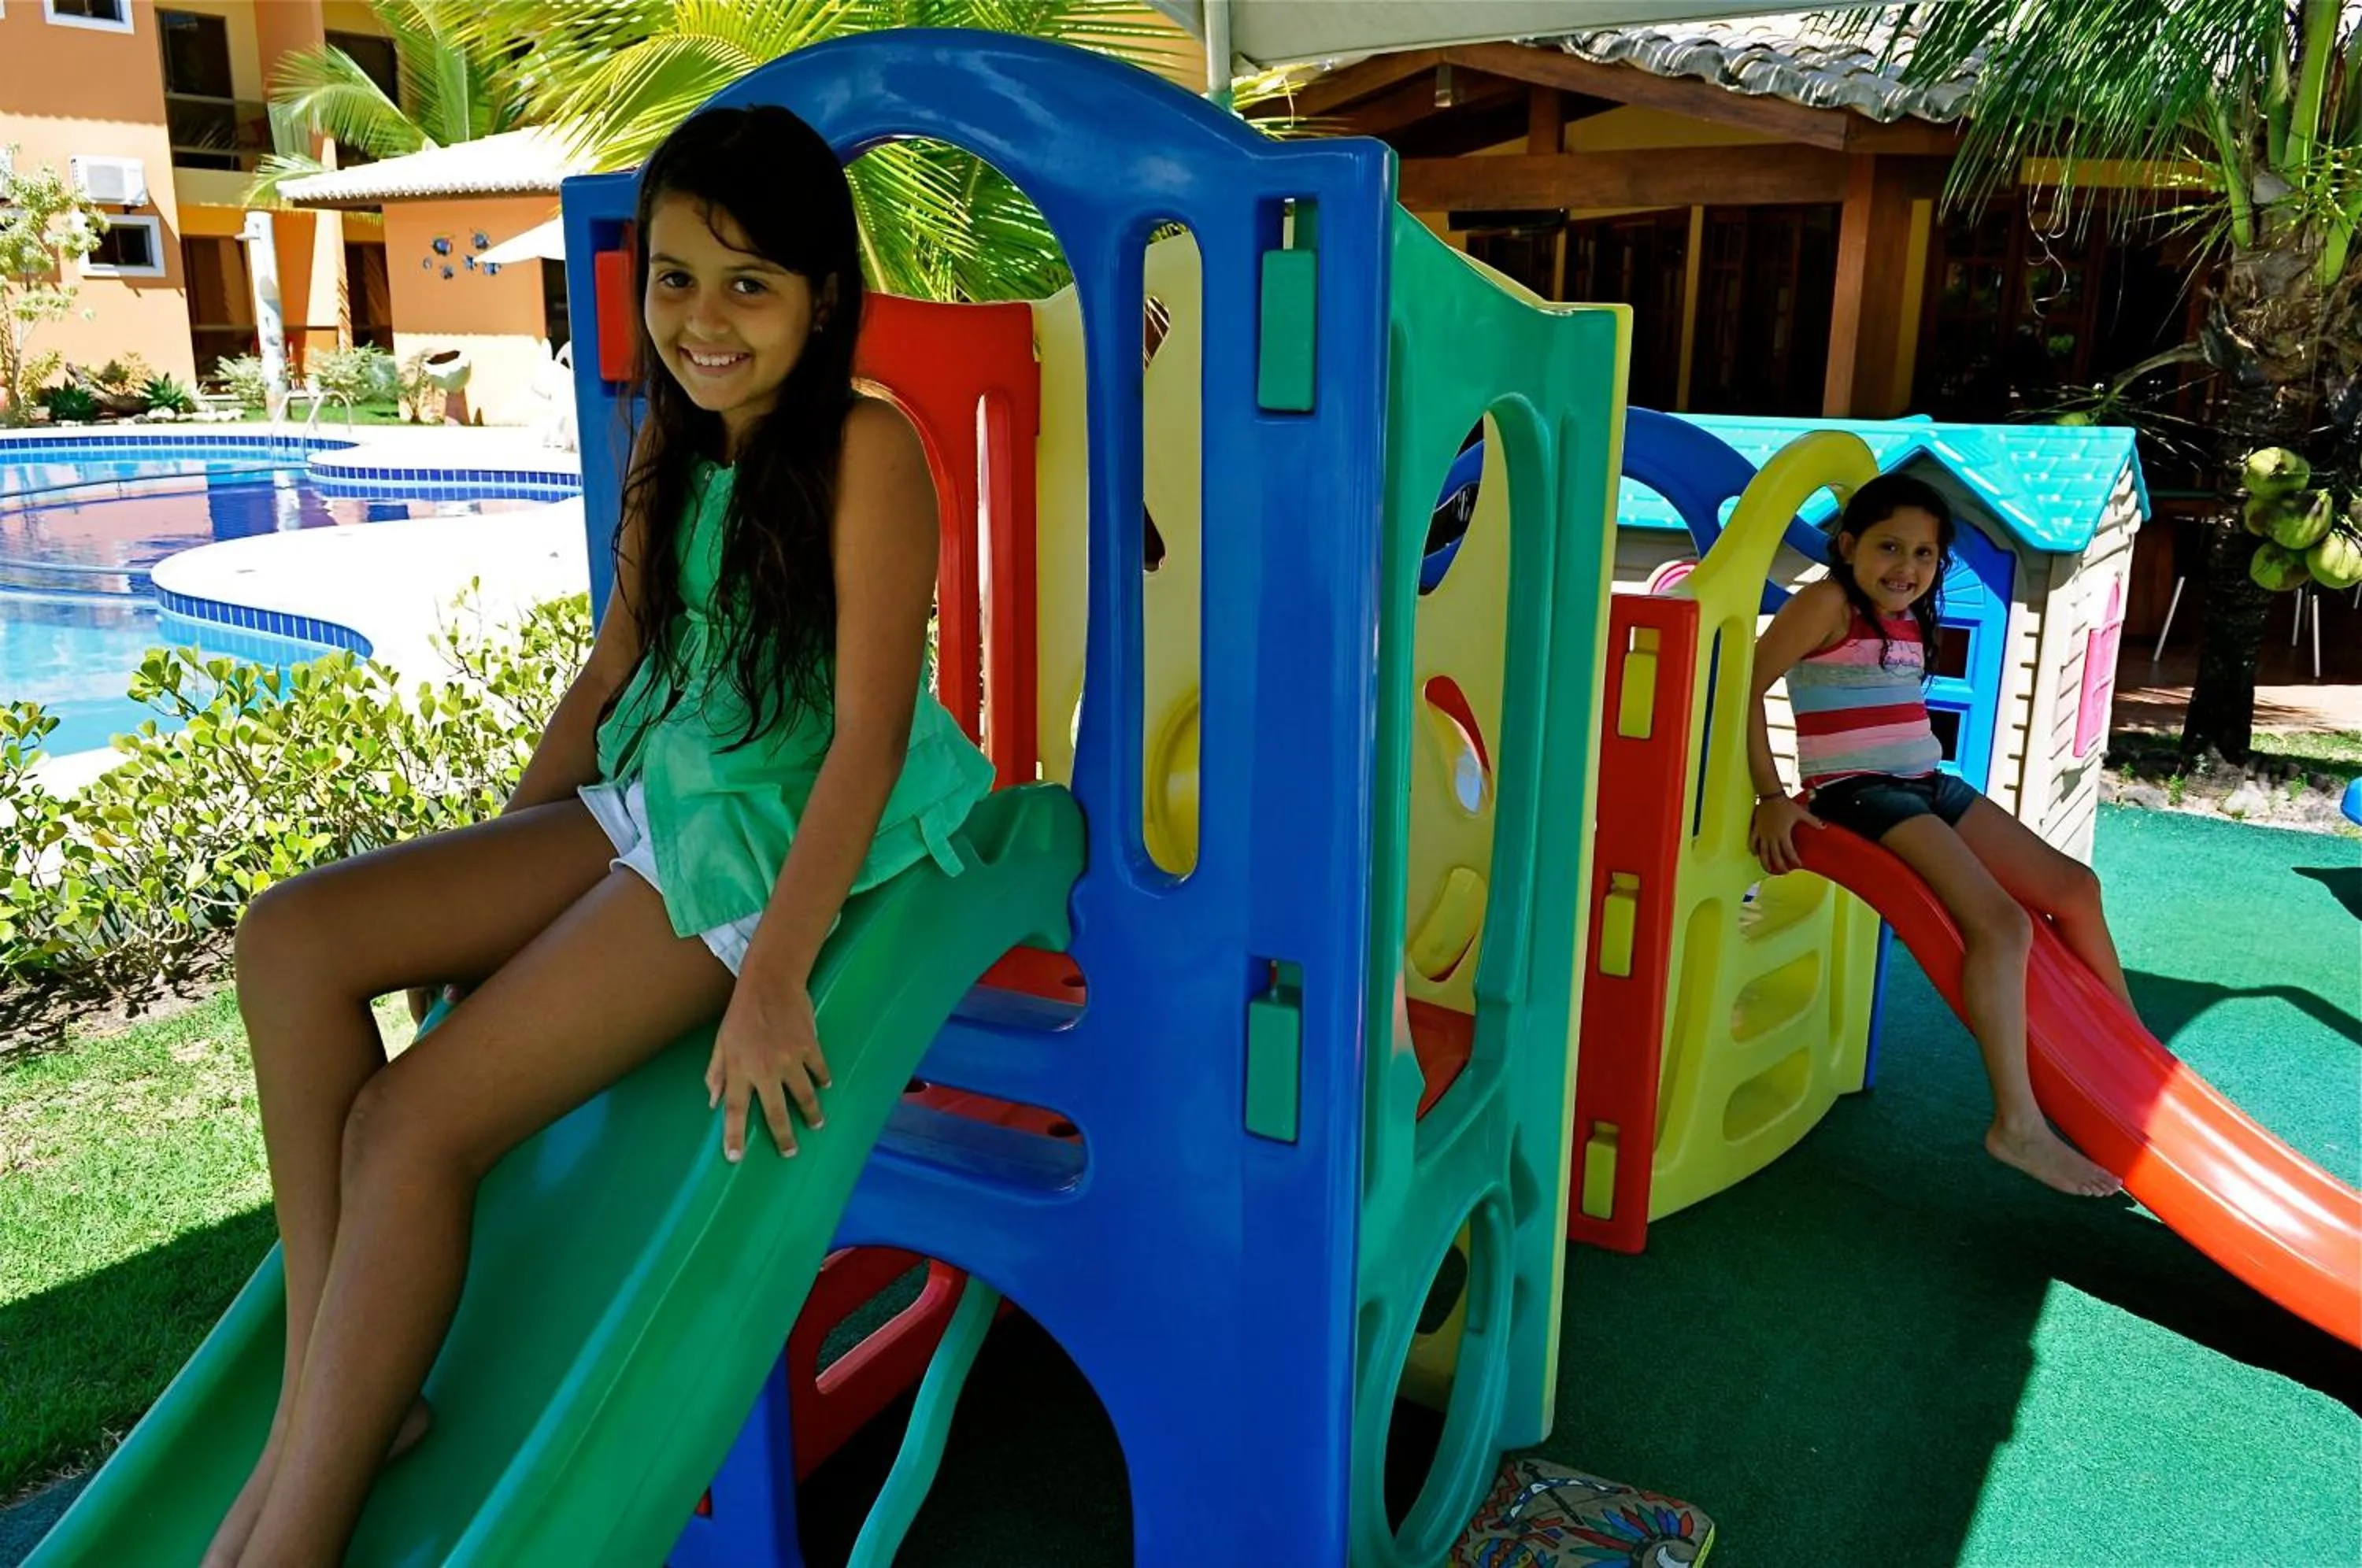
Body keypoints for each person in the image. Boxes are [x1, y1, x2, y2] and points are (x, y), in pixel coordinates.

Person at [205, 105, 994, 1567]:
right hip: (650, 791)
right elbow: (618, 666)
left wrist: (774, 979)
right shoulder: (670, 443)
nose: (704, 318)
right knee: (291, 938)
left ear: (823, 298)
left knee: (411, 1124)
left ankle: (296, 1525)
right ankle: (347, 1389)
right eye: (677, 277)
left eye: (749, 283)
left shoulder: (867, 449)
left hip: (759, 837)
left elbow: (871, 738)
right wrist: (491, 878)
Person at [1746, 472, 2127, 1200]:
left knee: (2077, 889)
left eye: (1925, 554)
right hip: (1858, 792)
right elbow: (1736, 686)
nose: (1908, 568)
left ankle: (2125, 1052)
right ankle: (2016, 1123)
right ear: (1849, 545)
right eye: (1890, 547)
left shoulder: (1910, 614)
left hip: (1926, 782)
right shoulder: (1827, 603)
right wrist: (1771, 795)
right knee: (2003, 926)